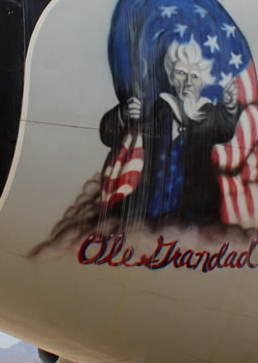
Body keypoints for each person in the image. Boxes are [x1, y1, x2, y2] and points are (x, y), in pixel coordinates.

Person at [100, 38, 240, 227]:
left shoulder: (207, 114)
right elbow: (108, 135)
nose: (189, 82)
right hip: (148, 210)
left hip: (196, 215)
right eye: (182, 73)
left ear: (202, 83)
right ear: (172, 78)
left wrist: (230, 106)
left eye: (195, 76)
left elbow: (225, 129)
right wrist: (123, 114)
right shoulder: (158, 110)